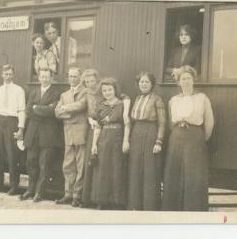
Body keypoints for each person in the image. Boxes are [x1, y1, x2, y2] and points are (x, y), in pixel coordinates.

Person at [60, 69, 131, 208]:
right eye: (87, 82)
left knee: (112, 167)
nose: (90, 83)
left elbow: (123, 98)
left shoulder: (112, 96)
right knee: (97, 166)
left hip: (112, 134)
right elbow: (85, 110)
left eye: (92, 81)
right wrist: (89, 120)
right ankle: (94, 198)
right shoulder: (89, 96)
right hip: (98, 133)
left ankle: (112, 200)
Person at [162, 65, 214, 211]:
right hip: (176, 136)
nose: (185, 81)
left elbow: (209, 122)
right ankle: (173, 208)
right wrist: (177, 132)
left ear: (193, 80)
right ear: (179, 82)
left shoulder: (202, 98)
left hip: (195, 137)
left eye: (188, 78)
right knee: (174, 171)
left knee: (194, 172)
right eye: (182, 79)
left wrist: (200, 138)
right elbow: (171, 122)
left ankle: (194, 208)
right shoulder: (173, 100)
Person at [19, 68, 61, 202]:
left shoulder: (55, 93)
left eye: (47, 77)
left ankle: (39, 193)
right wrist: (42, 110)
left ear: (51, 78)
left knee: (44, 165)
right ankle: (30, 190)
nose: (44, 79)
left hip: (48, 135)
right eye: (42, 77)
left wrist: (37, 108)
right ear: (39, 78)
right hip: (33, 133)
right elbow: (28, 111)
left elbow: (52, 111)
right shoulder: (34, 92)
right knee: (31, 162)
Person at [128, 72, 166, 211]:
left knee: (149, 170)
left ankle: (150, 206)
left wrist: (159, 141)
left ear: (152, 84)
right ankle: (135, 205)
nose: (143, 84)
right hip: (136, 133)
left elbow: (162, 122)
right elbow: (132, 120)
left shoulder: (157, 99)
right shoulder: (137, 98)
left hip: (151, 133)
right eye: (141, 82)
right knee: (135, 169)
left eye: (146, 82)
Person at [91, 78, 130, 210]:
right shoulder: (100, 105)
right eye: (104, 90)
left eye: (109, 89)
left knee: (117, 169)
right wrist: (94, 145)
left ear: (115, 90)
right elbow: (97, 126)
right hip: (103, 139)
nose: (107, 92)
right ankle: (102, 201)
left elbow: (127, 124)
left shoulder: (122, 104)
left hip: (118, 138)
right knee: (103, 170)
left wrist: (126, 140)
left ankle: (116, 201)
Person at [0, 64, 26, 195]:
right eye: (6, 74)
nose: (8, 76)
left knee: (12, 155)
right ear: (2, 75)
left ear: (13, 75)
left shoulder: (19, 90)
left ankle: (14, 186)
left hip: (12, 122)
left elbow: (22, 110)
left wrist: (21, 129)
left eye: (10, 74)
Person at [54, 67, 88, 207]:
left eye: (75, 76)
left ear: (80, 77)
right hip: (68, 132)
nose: (72, 79)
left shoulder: (85, 92)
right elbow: (57, 113)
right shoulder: (64, 94)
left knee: (80, 165)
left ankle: (77, 196)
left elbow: (81, 106)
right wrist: (69, 114)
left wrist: (64, 110)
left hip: (81, 132)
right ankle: (68, 194)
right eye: (70, 76)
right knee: (68, 164)